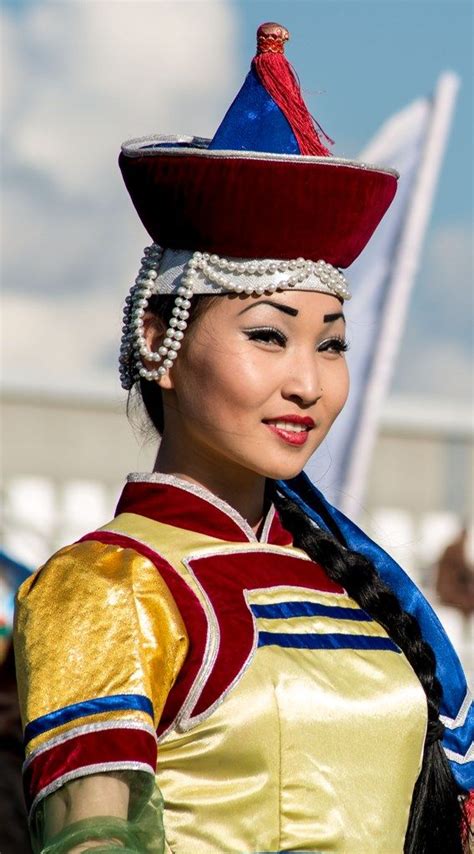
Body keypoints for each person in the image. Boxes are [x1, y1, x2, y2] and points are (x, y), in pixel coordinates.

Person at [13, 22, 473, 854]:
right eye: (269, 336)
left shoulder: (357, 585)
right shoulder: (109, 586)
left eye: (331, 343)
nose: (308, 381)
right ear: (160, 336)